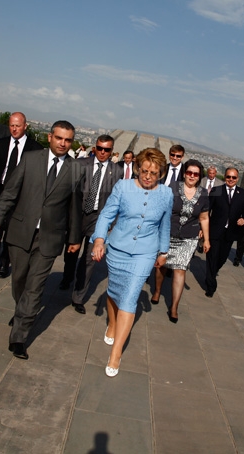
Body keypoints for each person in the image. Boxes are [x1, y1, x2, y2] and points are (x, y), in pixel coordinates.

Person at [0, 120, 83, 361]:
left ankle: (19, 337)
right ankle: (21, 310)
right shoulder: (30, 159)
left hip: (49, 239)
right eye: (59, 138)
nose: (63, 143)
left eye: (68, 140)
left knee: (35, 288)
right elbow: (9, 193)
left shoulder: (75, 169)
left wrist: (73, 238)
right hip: (20, 232)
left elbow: (74, 208)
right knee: (19, 281)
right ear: (50, 137)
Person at [91, 148, 172, 377]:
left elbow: (165, 225)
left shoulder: (166, 194)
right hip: (117, 249)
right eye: (144, 171)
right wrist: (99, 240)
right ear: (137, 168)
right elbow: (107, 215)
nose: (147, 176)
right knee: (114, 291)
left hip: (145, 254)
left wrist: (163, 251)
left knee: (130, 297)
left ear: (161, 174)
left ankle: (115, 354)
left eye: (153, 173)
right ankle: (112, 324)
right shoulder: (123, 187)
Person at [59, 134, 123, 314]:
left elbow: (117, 200)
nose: (103, 152)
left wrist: (111, 224)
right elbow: (68, 192)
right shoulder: (80, 165)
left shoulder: (117, 171)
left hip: (98, 219)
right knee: (71, 252)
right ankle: (67, 277)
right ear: (94, 148)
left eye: (107, 150)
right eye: (99, 148)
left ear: (111, 151)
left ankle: (78, 297)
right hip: (77, 217)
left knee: (89, 260)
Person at [0, 112, 42, 278]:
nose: (14, 129)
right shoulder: (0, 144)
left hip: (20, 196)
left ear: (25, 126)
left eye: (18, 126)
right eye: (12, 126)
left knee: (10, 230)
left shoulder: (34, 148)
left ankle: (4, 263)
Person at [151, 159, 210, 322]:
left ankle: (174, 307)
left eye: (195, 174)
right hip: (167, 233)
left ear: (200, 176)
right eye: (189, 172)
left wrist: (206, 239)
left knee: (180, 269)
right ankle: (157, 291)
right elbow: (161, 208)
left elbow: (204, 218)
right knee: (161, 266)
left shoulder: (204, 194)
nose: (192, 176)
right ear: (184, 173)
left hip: (189, 237)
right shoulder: (173, 188)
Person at [204, 167, 244, 297]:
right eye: (228, 177)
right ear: (224, 177)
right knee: (212, 257)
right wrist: (203, 229)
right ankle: (211, 285)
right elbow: (207, 211)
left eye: (233, 177)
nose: (230, 179)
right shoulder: (216, 191)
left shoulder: (243, 194)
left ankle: (211, 275)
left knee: (222, 258)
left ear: (237, 179)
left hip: (230, 232)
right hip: (215, 231)